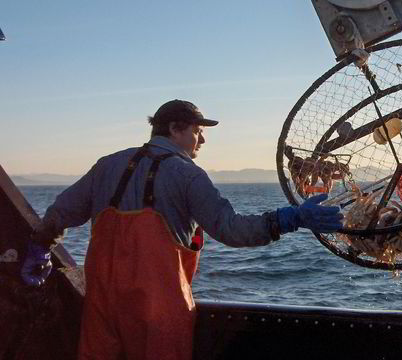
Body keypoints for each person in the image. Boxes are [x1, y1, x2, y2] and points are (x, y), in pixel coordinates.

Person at [20, 99, 344, 359]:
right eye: (197, 131)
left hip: (102, 306)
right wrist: (289, 219)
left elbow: (61, 212)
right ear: (176, 129)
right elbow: (231, 229)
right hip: (158, 312)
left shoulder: (108, 164)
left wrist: (40, 247)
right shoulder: (187, 174)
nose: (201, 139)